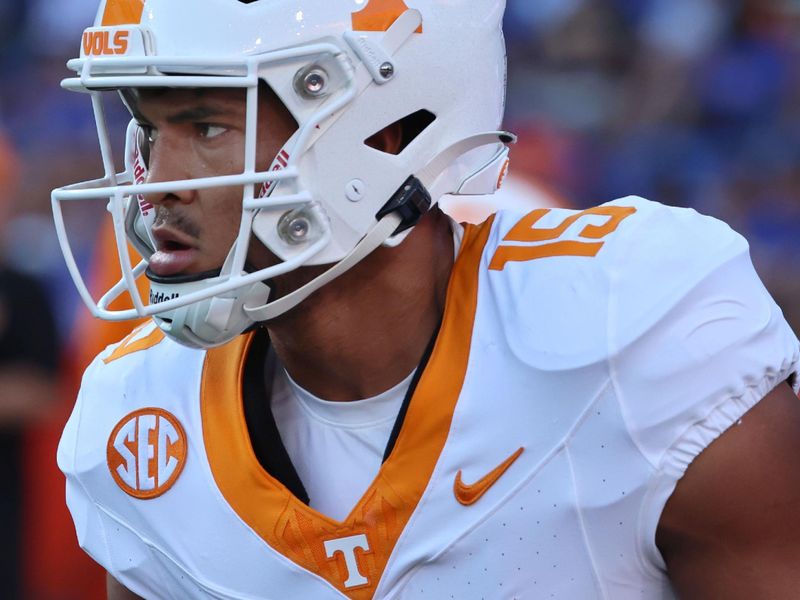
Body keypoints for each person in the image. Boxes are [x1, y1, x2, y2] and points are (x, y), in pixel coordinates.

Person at [52, 1, 800, 599]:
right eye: (149, 129)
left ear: (387, 131)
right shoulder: (139, 418)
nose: (155, 184)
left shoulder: (626, 327)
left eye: (208, 125)